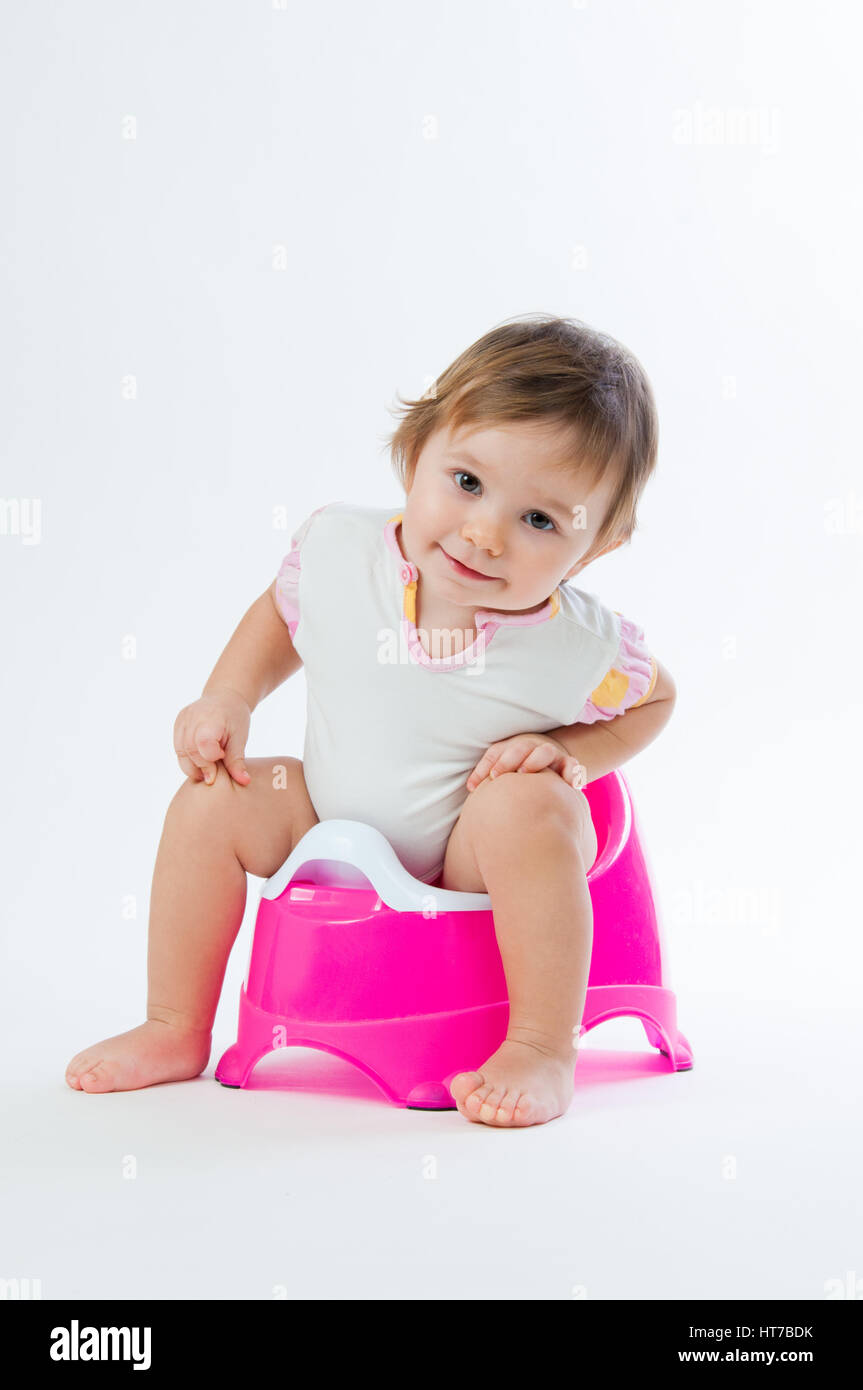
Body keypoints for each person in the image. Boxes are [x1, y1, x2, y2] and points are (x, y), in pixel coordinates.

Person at [66, 313, 677, 1127]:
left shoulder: (575, 647)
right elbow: (283, 619)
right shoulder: (341, 553)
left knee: (529, 803)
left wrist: (569, 750)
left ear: (596, 547)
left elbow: (658, 698)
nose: (482, 533)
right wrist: (229, 698)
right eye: (466, 482)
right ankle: (175, 1025)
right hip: (328, 815)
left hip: (467, 856)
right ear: (413, 453)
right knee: (212, 799)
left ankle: (538, 1044)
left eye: (539, 521)